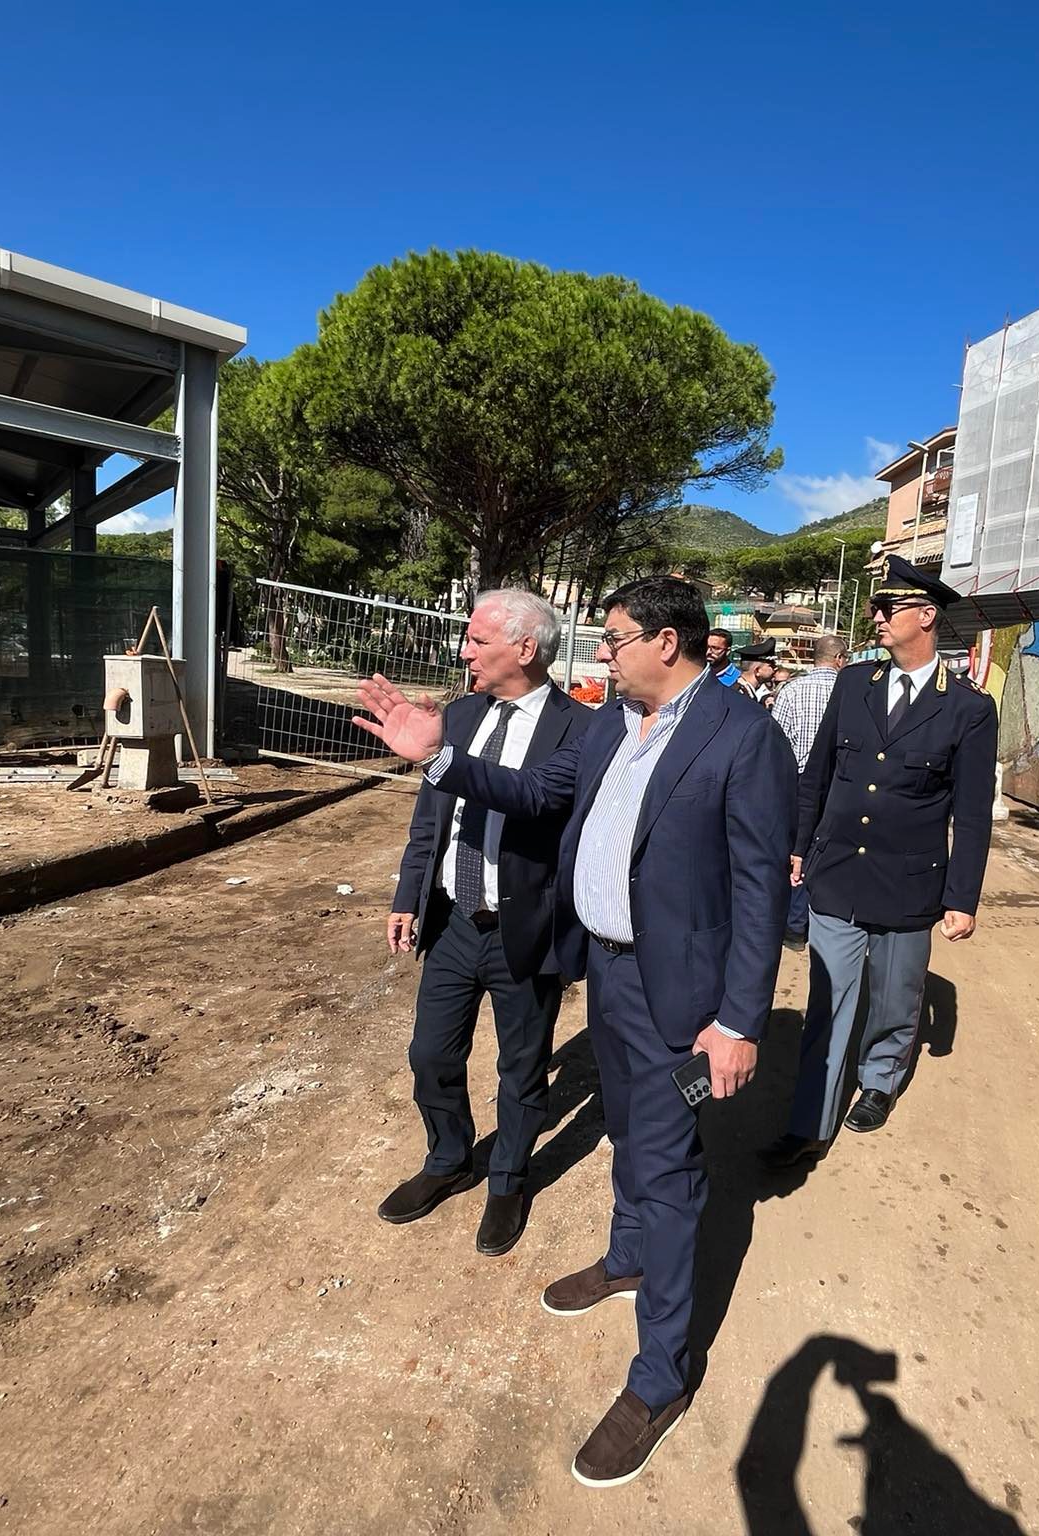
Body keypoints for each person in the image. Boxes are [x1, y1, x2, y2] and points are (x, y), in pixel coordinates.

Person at [353, 575, 795, 1489]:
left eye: (617, 637)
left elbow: (760, 890)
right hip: (611, 977)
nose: (603, 652)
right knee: (628, 1132)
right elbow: (533, 790)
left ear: (667, 642)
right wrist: (438, 757)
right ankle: (627, 1260)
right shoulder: (607, 724)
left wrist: (739, 1020)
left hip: (683, 996)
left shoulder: (742, 735)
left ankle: (660, 1378)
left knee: (668, 1172)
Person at [382, 590, 598, 1256]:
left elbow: (538, 803)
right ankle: (449, 1159)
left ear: (525, 648)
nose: (464, 651)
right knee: (430, 1055)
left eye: (477, 640)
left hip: (523, 931)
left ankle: (508, 1179)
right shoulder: (459, 715)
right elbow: (431, 820)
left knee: (522, 1068)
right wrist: (408, 896)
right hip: (453, 922)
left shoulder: (583, 729)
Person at [761, 558, 997, 1168]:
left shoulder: (967, 708)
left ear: (927, 616)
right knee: (827, 999)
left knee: (894, 998)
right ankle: (811, 1120)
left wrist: (961, 897)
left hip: (909, 882)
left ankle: (880, 1079)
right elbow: (817, 775)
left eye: (889, 608)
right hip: (837, 871)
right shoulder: (853, 683)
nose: (877, 616)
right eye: (877, 607)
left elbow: (972, 814)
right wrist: (799, 845)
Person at [770, 635, 850, 949]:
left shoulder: (790, 690)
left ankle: (794, 925)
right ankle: (826, 919)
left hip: (797, 782)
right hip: (837, 783)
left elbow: (776, 744)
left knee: (796, 850)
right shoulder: (850, 692)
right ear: (840, 659)